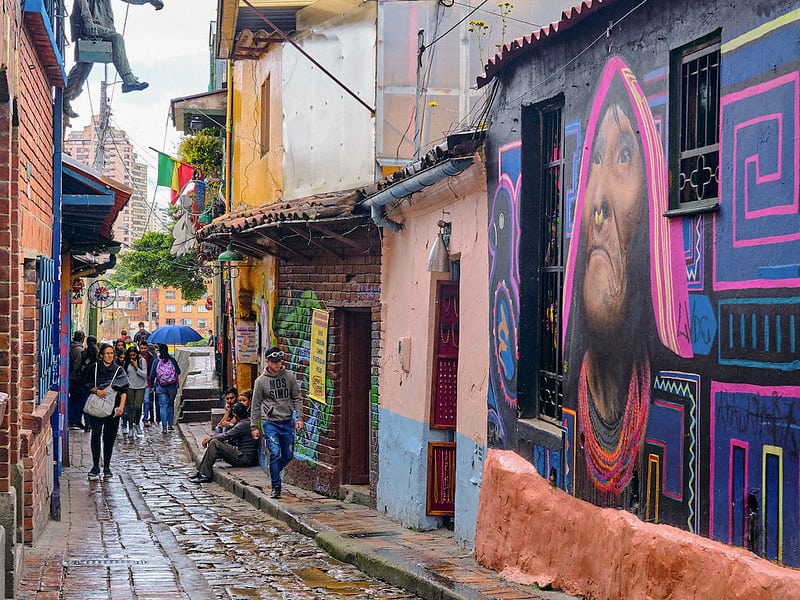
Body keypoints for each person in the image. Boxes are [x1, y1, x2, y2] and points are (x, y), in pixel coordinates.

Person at [562, 57, 692, 502]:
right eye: (594, 159)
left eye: (622, 155)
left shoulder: (682, 403)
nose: (597, 200)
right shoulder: (568, 379)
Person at [63, 0, 164, 120]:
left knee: (83, 67)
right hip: (88, 26)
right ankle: (129, 81)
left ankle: (64, 98)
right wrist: (88, 22)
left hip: (100, 26)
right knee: (117, 39)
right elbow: (82, 4)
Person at [251, 347, 304, 499]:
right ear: (267, 361)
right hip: (270, 423)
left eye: (279, 361)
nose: (276, 364)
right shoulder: (261, 382)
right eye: (273, 362)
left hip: (287, 421)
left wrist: (299, 417)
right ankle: (276, 486)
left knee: (288, 454)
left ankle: (274, 470)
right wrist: (254, 426)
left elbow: (297, 397)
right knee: (275, 453)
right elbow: (255, 405)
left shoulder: (289, 377)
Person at [81, 343, 129, 479]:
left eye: (111, 353)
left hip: (113, 407)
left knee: (109, 437)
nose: (109, 356)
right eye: (107, 353)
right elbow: (85, 383)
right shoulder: (94, 368)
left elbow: (124, 390)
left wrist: (121, 407)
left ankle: (107, 466)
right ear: (101, 355)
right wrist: (96, 390)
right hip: (97, 406)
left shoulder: (119, 370)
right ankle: (96, 465)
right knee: (96, 435)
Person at [188, 403, 259, 484]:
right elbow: (224, 429)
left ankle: (205, 475)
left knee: (215, 443)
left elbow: (226, 435)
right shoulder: (244, 422)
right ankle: (202, 471)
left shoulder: (243, 424)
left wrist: (210, 438)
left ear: (235, 415)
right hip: (242, 455)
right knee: (215, 442)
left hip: (244, 459)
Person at [150, 343, 181, 433]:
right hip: (172, 386)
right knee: (171, 405)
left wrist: (152, 386)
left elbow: (152, 375)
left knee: (163, 406)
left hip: (160, 386)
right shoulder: (172, 360)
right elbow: (178, 371)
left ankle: (164, 428)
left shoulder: (156, 361)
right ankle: (170, 425)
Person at [123, 347, 147, 437]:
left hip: (140, 386)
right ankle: (131, 427)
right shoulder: (126, 363)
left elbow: (144, 374)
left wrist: (136, 367)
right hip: (130, 386)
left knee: (138, 406)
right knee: (130, 407)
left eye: (134, 355)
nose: (132, 357)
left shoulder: (142, 361)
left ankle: (137, 423)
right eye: (130, 355)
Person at [68, 331, 87, 430]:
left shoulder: (70, 347)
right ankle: (75, 420)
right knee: (78, 399)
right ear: (82, 339)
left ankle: (71, 419)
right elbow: (77, 366)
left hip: (70, 377)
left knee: (72, 399)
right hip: (76, 378)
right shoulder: (79, 350)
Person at [138, 340, 154, 427]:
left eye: (144, 348)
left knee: (146, 401)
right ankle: (135, 418)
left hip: (147, 382)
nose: (143, 350)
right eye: (141, 348)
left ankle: (145, 418)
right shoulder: (135, 356)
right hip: (137, 382)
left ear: (147, 348)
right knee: (137, 403)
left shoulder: (150, 357)